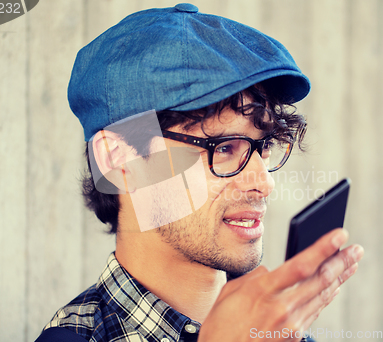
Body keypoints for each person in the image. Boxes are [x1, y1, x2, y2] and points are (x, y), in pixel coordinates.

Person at [35, 3, 363, 342]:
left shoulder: (272, 330)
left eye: (263, 147)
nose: (264, 182)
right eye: (222, 148)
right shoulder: (76, 337)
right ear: (119, 160)